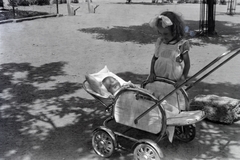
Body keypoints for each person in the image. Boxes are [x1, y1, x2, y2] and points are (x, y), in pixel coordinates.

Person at [146, 11, 190, 87]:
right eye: (160, 33)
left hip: (174, 81)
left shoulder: (181, 45)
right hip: (158, 78)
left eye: (166, 34)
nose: (163, 37)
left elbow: (187, 64)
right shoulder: (160, 43)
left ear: (175, 31)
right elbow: (154, 59)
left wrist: (182, 79)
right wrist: (152, 73)